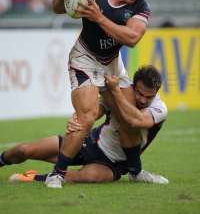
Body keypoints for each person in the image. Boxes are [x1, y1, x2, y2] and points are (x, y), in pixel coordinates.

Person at [47, 0, 156, 188]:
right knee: (85, 118)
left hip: (112, 63)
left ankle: (135, 172)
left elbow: (133, 38)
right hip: (84, 59)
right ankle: (57, 174)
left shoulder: (140, 7)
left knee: (129, 118)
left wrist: (98, 17)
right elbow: (59, 9)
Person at [1, 66, 169, 185]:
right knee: (25, 150)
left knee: (86, 176)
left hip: (114, 163)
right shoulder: (123, 95)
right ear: (132, 86)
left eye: (149, 97)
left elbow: (136, 120)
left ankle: (34, 177)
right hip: (90, 143)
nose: (143, 100)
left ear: (156, 94)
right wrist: (76, 118)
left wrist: (116, 90)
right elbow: (94, 111)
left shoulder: (160, 108)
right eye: (139, 93)